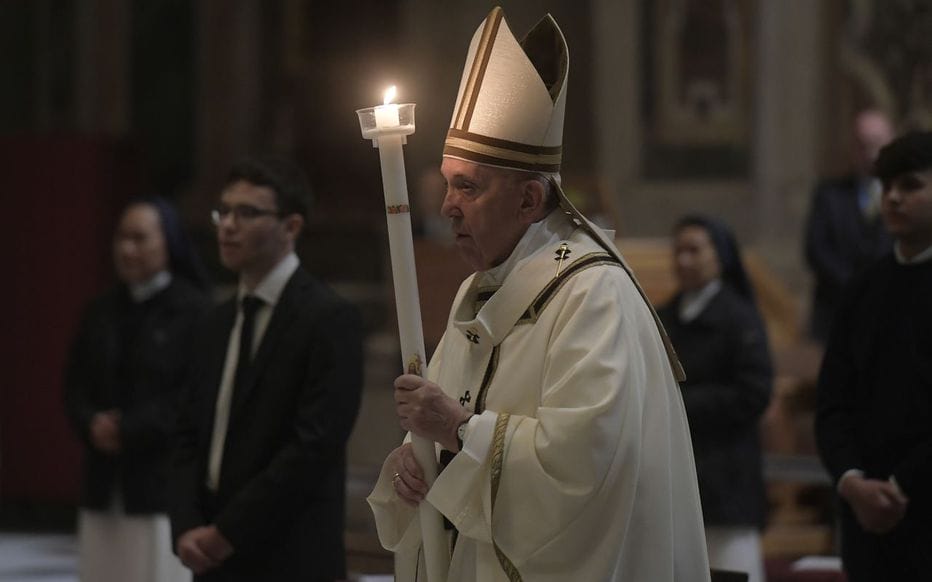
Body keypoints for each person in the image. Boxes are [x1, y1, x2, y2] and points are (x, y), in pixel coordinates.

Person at [367, 8, 709, 581]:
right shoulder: (478, 292)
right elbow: (441, 433)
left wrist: (455, 430)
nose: (448, 206)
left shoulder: (592, 295)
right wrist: (413, 462)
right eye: (447, 184)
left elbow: (584, 470)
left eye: (468, 187)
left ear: (529, 202)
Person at [168, 156, 364, 581]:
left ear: (291, 227)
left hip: (290, 553)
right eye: (224, 211)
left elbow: (313, 447)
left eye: (248, 213)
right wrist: (186, 526)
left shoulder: (329, 319)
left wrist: (227, 532)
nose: (228, 225)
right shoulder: (214, 322)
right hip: (210, 554)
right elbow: (187, 432)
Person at [64, 196, 209, 582]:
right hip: (103, 480)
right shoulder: (101, 310)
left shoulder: (194, 312)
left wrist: (128, 428)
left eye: (140, 238)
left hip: (159, 484)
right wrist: (91, 423)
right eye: (121, 237)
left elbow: (192, 397)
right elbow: (74, 385)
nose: (127, 249)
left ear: (169, 243)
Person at [815, 130, 932, 581]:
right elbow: (833, 401)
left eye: (910, 186)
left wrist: (900, 487)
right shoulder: (863, 287)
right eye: (886, 188)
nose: (893, 199)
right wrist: (851, 481)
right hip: (866, 520)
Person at [657, 215, 773, 582]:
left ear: (719, 255)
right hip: (676, 469)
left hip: (726, 474)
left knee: (730, 569)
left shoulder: (740, 319)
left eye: (694, 250)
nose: (683, 261)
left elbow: (753, 392)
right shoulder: (664, 316)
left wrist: (679, 404)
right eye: (678, 251)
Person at [804, 108, 895, 342]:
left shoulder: (909, 196)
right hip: (836, 313)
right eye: (861, 145)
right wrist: (854, 288)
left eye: (876, 143)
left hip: (893, 309)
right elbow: (816, 249)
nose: (869, 153)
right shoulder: (829, 194)